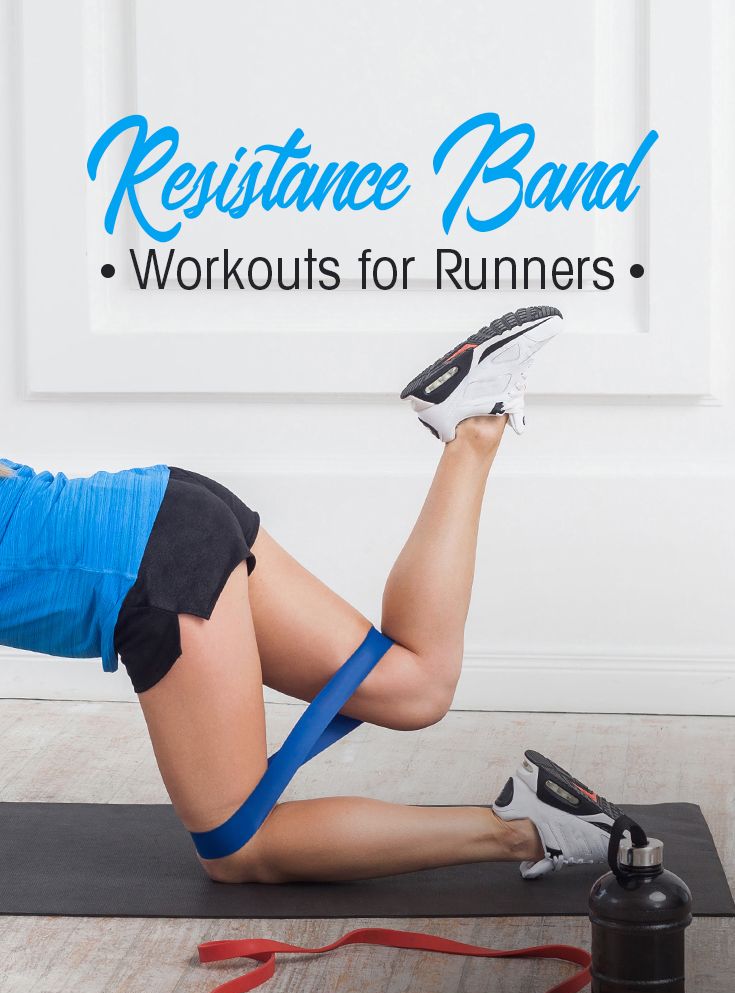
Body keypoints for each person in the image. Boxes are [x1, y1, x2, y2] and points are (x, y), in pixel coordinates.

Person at [0, 305, 623, 885]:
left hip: (154, 570)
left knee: (238, 848)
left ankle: (523, 832)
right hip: (170, 506)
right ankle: (474, 423)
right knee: (417, 685)